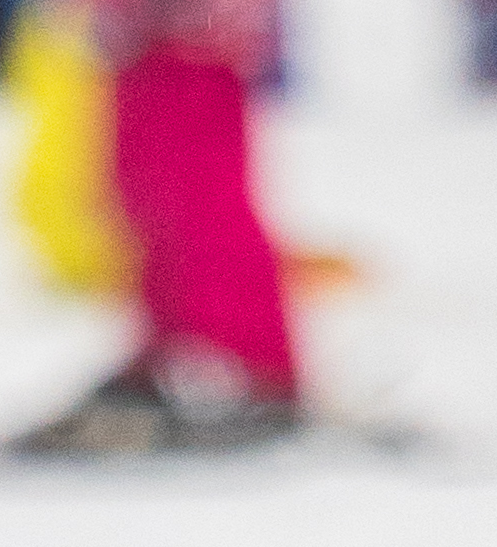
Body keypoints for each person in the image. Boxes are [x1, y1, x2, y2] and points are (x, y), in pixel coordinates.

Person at [15, 0, 303, 452]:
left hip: (194, 33)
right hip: (143, 36)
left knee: (200, 194)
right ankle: (167, 345)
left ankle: (257, 365)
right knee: (141, 187)